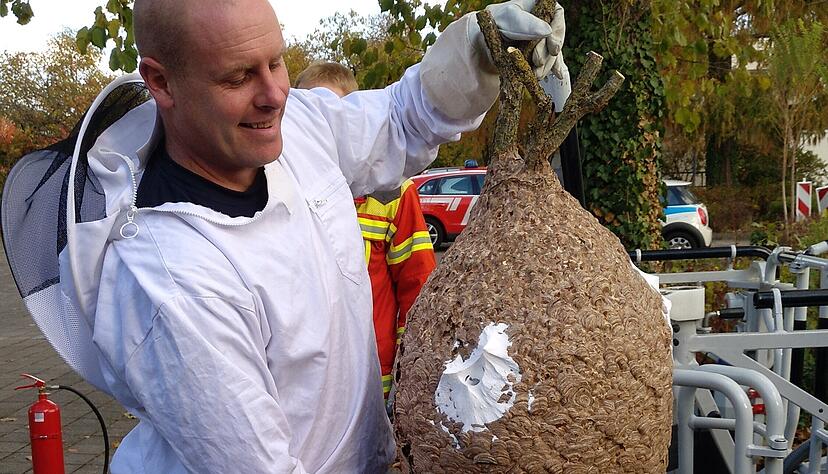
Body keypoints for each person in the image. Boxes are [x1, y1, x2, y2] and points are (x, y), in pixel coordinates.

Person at [0, 0, 567, 472]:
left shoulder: (291, 127)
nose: (273, 94)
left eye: (275, 61)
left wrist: (477, 57)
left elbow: (399, 118)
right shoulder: (169, 285)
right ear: (161, 83)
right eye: (238, 76)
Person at [296, 62, 438, 400]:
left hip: (376, 372)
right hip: (309, 380)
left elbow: (418, 286)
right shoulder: (283, 187)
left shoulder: (394, 193)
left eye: (333, 117)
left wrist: (412, 364)